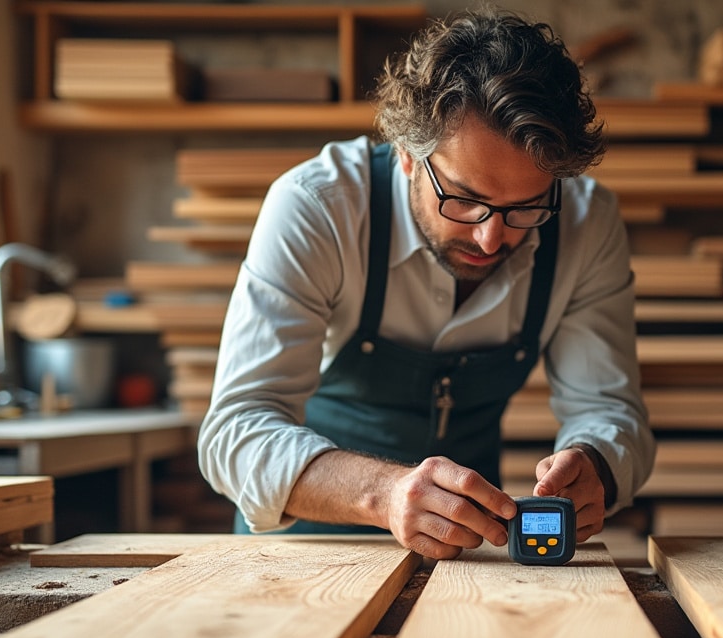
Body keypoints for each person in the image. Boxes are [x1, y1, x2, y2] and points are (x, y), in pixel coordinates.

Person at [198, 6, 654, 560]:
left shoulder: (585, 224)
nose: (491, 239)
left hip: (464, 560)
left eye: (525, 208)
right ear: (409, 156)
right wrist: (386, 494)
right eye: (464, 200)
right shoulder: (318, 208)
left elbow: (609, 409)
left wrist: (597, 464)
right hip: (304, 555)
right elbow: (235, 434)